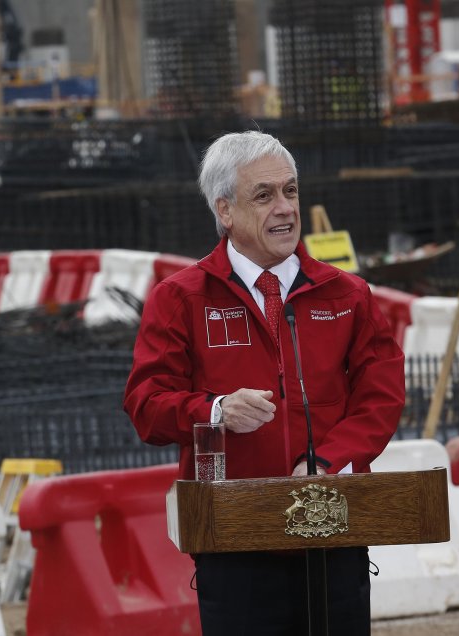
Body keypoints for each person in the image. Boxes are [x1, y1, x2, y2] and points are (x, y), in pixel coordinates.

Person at [122, 131, 405, 635]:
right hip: (235, 542)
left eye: (290, 191)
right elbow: (146, 404)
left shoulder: (347, 294)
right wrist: (215, 411)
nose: (285, 208)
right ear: (225, 210)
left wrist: (325, 460)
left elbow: (381, 398)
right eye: (264, 195)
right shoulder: (180, 298)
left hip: (332, 530)